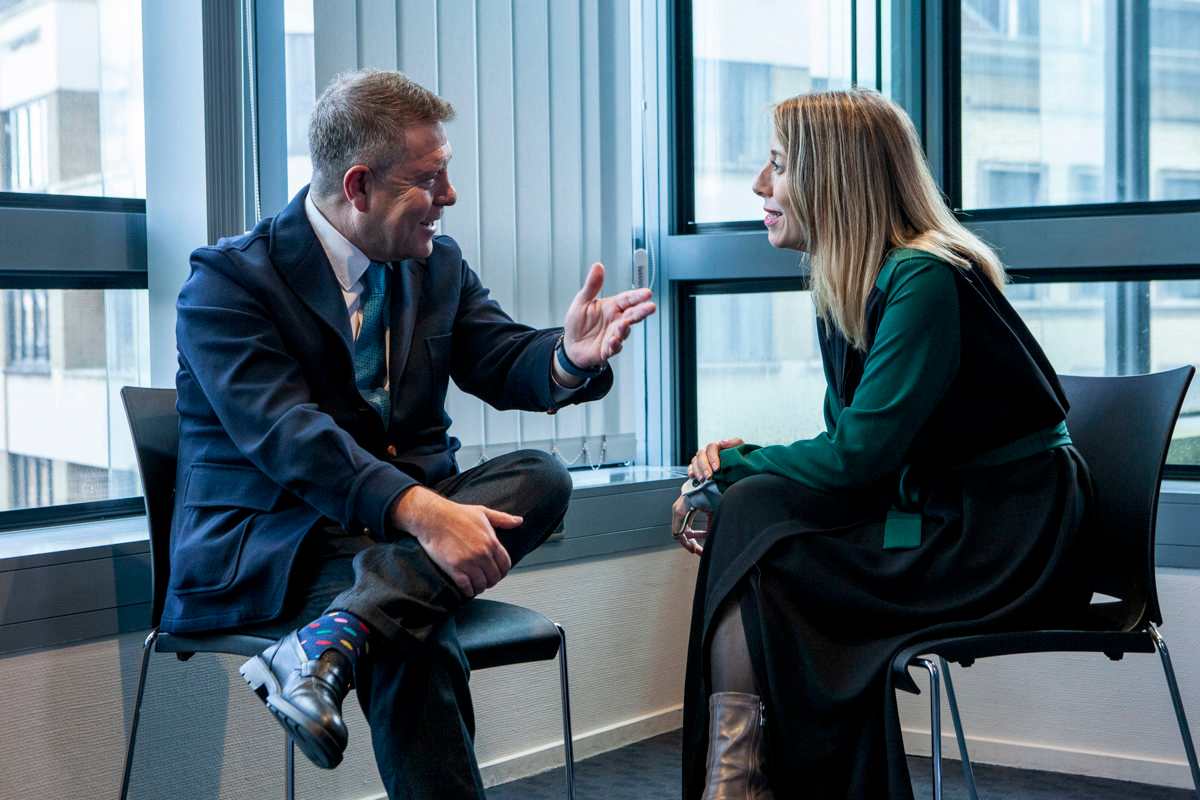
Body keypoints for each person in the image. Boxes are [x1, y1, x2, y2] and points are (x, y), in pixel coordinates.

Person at [168, 69, 655, 799]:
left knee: (543, 479)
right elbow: (288, 436)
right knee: (409, 630)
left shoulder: (435, 266)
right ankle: (355, 625)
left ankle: (327, 642)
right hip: (278, 544)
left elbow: (499, 358)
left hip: (386, 543)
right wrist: (427, 514)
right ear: (359, 186)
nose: (449, 198)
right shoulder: (228, 284)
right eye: (432, 180)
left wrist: (566, 358)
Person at [672, 89, 1091, 799]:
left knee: (756, 531)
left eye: (777, 164)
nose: (759, 186)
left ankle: (739, 777)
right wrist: (736, 477)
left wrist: (734, 464)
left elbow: (857, 459)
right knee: (756, 518)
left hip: (1003, 532)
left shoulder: (923, 278)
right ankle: (738, 774)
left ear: (833, 178)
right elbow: (852, 445)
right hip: (944, 512)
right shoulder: (853, 280)